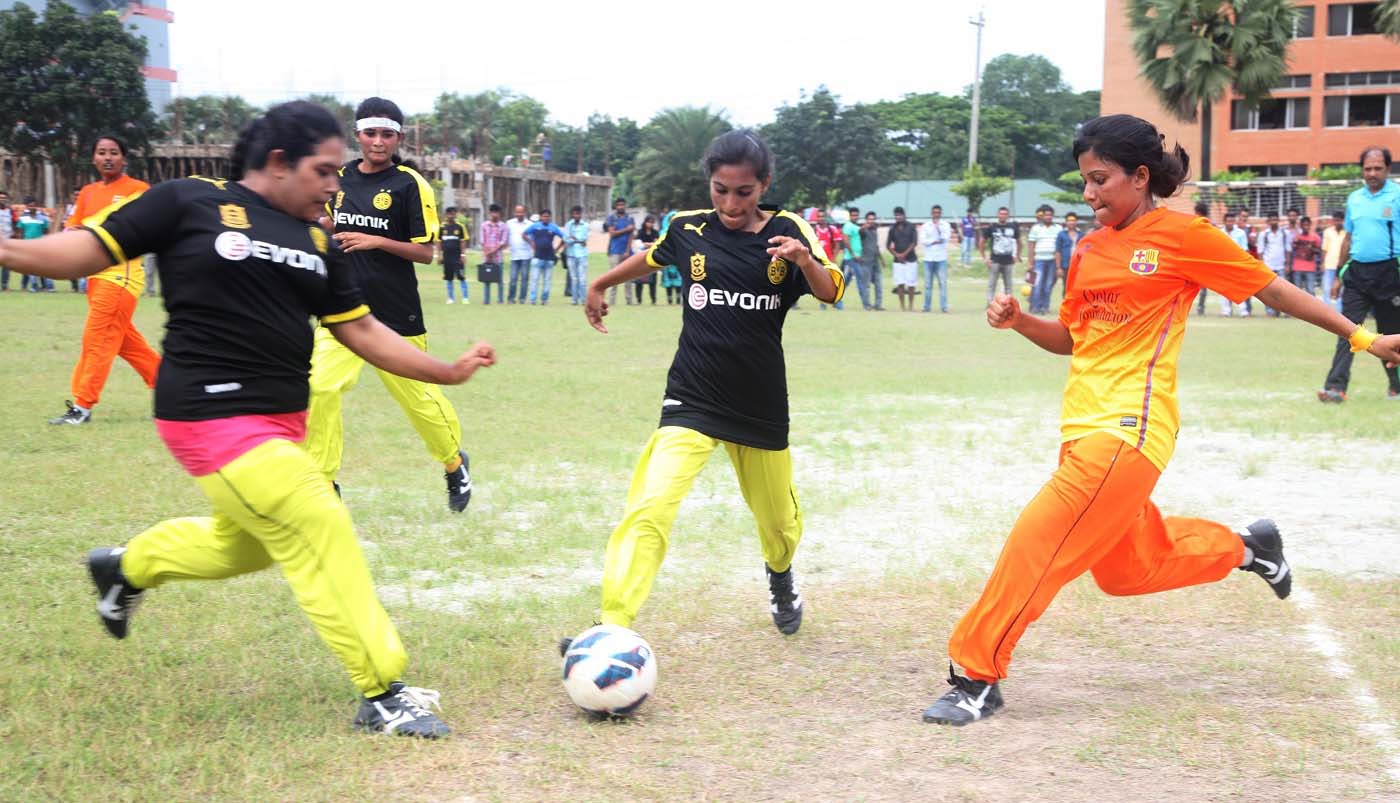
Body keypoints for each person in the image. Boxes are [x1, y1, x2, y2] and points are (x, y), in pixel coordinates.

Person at [0, 101, 496, 737]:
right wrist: (11, 251)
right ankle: (383, 691)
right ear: (278, 162)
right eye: (322, 171)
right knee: (317, 516)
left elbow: (366, 331)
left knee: (247, 544)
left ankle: (125, 568)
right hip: (209, 413)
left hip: (276, 423)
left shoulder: (318, 240)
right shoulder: (188, 201)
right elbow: (88, 248)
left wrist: (447, 372)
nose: (333, 184)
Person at [921, 114, 1400, 728]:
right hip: (1081, 431)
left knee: (1035, 543)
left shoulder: (1185, 237)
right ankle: (1248, 547)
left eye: (1101, 180)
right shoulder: (1089, 247)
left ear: (1140, 176)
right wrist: (1019, 321)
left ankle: (975, 676)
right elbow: (1072, 337)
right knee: (1128, 570)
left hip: (1129, 432)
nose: (1089, 194)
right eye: (1084, 182)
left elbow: (1274, 291)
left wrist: (1363, 336)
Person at [568, 129, 843, 644]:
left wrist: (803, 261)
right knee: (650, 505)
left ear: (763, 184)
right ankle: (612, 626)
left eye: (743, 191)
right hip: (691, 397)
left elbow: (830, 291)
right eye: (720, 189)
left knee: (778, 524)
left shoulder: (789, 229)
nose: (730, 203)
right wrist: (601, 283)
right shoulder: (688, 227)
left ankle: (780, 575)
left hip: (758, 403)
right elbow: (653, 256)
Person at [305, 96, 474, 512]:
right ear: (357, 135)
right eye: (370, 133)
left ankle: (454, 463)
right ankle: (325, 483)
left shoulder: (408, 184)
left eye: (387, 134)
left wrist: (376, 240)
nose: (378, 142)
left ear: (398, 137)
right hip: (343, 308)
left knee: (418, 401)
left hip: (396, 312)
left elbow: (426, 252)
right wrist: (320, 227)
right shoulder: (340, 177)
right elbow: (328, 221)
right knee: (318, 386)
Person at [49, 135, 162, 426]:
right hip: (95, 279)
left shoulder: (139, 190)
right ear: (94, 158)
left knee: (97, 341)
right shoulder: (87, 192)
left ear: (124, 158)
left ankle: (82, 406)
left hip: (120, 278)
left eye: (114, 152)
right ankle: (172, 390)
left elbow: (143, 230)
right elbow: (73, 230)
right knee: (127, 344)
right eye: (101, 152)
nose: (108, 157)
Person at [1319, 146, 1400, 403]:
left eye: (1378, 168)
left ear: (1388, 169)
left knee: (1391, 334)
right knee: (1348, 331)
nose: (1372, 173)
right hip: (1357, 274)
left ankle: (1396, 387)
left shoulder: (1397, 196)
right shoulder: (1354, 198)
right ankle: (1335, 388)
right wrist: (1339, 277)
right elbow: (1348, 239)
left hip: (1390, 273)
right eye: (1367, 168)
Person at [523, 208, 564, 305]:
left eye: (548, 216)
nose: (546, 218)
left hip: (549, 258)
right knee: (534, 279)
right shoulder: (535, 226)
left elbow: (564, 237)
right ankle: (533, 299)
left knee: (547, 280)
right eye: (544, 216)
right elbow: (524, 234)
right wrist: (531, 243)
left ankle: (544, 299)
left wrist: (557, 249)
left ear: (550, 217)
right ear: (540, 217)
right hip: (537, 257)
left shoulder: (553, 227)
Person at [1025, 204, 1061, 315]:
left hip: (1052, 261)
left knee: (1048, 284)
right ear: (1042, 216)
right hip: (1039, 260)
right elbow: (1031, 247)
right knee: (1037, 284)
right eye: (1046, 215)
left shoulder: (1058, 228)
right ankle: (1035, 307)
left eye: (1050, 215)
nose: (1048, 217)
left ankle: (1045, 307)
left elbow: (1059, 246)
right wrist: (1030, 263)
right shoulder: (1036, 228)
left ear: (1053, 216)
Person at [919, 204, 954, 313]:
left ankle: (944, 307)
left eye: (938, 213)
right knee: (928, 284)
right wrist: (933, 241)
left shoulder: (945, 225)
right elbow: (923, 240)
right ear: (931, 213)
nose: (936, 214)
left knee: (942, 284)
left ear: (941, 213)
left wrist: (938, 229)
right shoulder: (926, 225)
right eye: (934, 212)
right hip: (928, 258)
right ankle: (926, 307)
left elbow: (945, 238)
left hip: (941, 258)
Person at [981, 206, 1019, 302]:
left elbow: (1019, 242)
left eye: (1005, 214)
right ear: (998, 215)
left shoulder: (1013, 227)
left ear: (1008, 215)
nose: (1003, 216)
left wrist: (1017, 255)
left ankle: (1009, 305)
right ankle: (990, 303)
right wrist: (985, 257)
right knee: (992, 284)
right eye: (1001, 214)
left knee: (1008, 285)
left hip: (1008, 260)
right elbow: (982, 242)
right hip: (995, 260)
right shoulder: (992, 227)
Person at [16, 199, 54, 292]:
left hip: (40, 246)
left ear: (36, 206)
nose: (32, 207)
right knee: (30, 267)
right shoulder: (23, 219)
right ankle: (34, 286)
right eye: (30, 206)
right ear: (27, 207)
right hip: (27, 246)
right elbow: (20, 233)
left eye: (34, 205)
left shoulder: (43, 218)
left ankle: (49, 287)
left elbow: (46, 232)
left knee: (44, 266)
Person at [603, 197, 635, 305]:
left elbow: (631, 235)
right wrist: (627, 229)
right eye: (619, 205)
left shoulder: (629, 218)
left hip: (626, 251)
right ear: (615, 206)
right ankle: (611, 301)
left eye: (622, 205)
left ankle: (629, 301)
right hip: (614, 251)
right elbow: (612, 233)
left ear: (625, 206)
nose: (621, 207)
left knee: (628, 276)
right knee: (613, 277)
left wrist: (628, 250)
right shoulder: (611, 218)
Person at [1256, 213, 1289, 316]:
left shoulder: (1284, 233)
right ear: (1268, 222)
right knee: (1268, 291)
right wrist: (1262, 266)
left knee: (1283, 290)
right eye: (1272, 220)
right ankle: (1270, 311)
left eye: (1276, 220)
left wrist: (1287, 264)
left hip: (1281, 265)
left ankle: (1285, 310)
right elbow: (1260, 251)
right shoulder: (1263, 234)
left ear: (1278, 221)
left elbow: (1288, 249)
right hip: (1268, 265)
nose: (1274, 222)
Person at [887, 206, 918, 311]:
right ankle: (902, 306)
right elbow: (888, 245)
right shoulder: (892, 229)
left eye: (900, 215)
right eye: (896, 215)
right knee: (900, 284)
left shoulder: (911, 227)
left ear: (904, 215)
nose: (898, 217)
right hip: (898, 261)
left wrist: (904, 254)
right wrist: (897, 255)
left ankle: (910, 306)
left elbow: (914, 243)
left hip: (911, 259)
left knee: (911, 284)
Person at [1224, 209, 1253, 317]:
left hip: (1237, 264)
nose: (1230, 223)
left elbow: (1245, 249)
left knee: (1240, 288)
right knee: (1224, 288)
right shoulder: (1220, 232)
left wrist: (1244, 264)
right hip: (1223, 265)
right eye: (1228, 221)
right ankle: (1226, 311)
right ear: (1224, 221)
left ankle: (1243, 311)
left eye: (1232, 221)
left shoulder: (1240, 233)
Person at [440, 206, 469, 304]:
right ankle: (451, 298)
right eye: (449, 214)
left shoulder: (460, 227)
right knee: (449, 278)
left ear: (456, 214)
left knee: (461, 276)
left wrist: (463, 255)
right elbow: (439, 242)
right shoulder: (442, 227)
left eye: (453, 213)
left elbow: (463, 242)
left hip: (457, 257)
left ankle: (465, 298)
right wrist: (439, 255)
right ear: (446, 215)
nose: (451, 216)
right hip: (446, 257)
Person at [841, 206, 869, 309]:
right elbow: (846, 241)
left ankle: (836, 300)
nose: (855, 217)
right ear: (850, 216)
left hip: (856, 258)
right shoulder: (848, 226)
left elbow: (859, 234)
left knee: (845, 282)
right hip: (850, 259)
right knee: (860, 281)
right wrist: (853, 255)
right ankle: (866, 305)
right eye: (853, 215)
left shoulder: (855, 226)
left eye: (857, 215)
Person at [479, 203, 507, 304]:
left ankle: (500, 300)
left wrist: (492, 252)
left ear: (500, 213)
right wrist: (487, 253)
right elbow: (482, 240)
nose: (495, 214)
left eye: (497, 212)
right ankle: (486, 300)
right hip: (486, 257)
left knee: (499, 280)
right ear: (490, 213)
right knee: (487, 279)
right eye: (493, 212)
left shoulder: (503, 226)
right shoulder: (484, 225)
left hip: (498, 257)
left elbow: (503, 242)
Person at [563, 205, 590, 306]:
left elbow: (584, 238)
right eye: (574, 213)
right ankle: (574, 300)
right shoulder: (568, 225)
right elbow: (566, 239)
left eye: (578, 213)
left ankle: (584, 300)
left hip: (582, 255)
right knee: (574, 278)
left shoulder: (585, 225)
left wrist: (574, 239)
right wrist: (575, 240)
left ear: (581, 214)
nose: (576, 215)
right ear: (572, 214)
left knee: (582, 279)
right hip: (571, 255)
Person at [631, 214, 661, 304]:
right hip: (641, 257)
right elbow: (638, 244)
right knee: (639, 280)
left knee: (653, 281)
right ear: (645, 222)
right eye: (649, 222)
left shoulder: (655, 232)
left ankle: (653, 299)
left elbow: (657, 243)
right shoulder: (640, 232)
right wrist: (649, 244)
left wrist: (647, 244)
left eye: (652, 223)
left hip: (653, 257)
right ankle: (639, 299)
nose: (650, 224)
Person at [506, 204, 532, 304]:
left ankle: (522, 298)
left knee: (524, 278)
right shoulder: (509, 223)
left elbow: (533, 239)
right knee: (513, 278)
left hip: (526, 255)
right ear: (514, 213)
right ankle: (511, 298)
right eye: (517, 212)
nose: (519, 214)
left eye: (521, 212)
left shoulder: (529, 224)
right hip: (514, 256)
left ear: (525, 213)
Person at [1191, 202, 1214, 315]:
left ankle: (1198, 308)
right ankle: (1201, 307)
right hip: (1208, 260)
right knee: (1203, 288)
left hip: (1194, 260)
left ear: (1197, 212)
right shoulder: (1211, 225)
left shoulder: (1194, 223)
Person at [1321, 209, 1346, 312]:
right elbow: (1324, 249)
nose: (1337, 222)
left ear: (1343, 220)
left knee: (1341, 289)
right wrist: (1322, 263)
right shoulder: (1327, 232)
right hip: (1329, 264)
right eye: (1335, 220)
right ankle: (1326, 312)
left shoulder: (1348, 232)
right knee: (1327, 289)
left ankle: (1339, 312)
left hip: (1342, 265)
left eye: (1339, 220)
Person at [1054, 211, 1084, 299]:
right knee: (1066, 285)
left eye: (1073, 220)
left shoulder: (1081, 235)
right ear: (1066, 222)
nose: (1071, 222)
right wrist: (1058, 267)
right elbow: (1058, 251)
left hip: (1078, 265)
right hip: (1066, 264)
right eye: (1069, 220)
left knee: (1078, 285)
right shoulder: (1061, 234)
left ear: (1076, 222)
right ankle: (1066, 306)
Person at [1290, 215, 1321, 298]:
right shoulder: (1296, 237)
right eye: (1304, 225)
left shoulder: (1315, 237)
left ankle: (1312, 310)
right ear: (1301, 225)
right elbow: (1291, 251)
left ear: (1310, 225)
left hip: (1310, 268)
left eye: (1307, 225)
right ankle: (1296, 310)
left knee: (1310, 291)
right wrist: (1295, 243)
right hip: (1297, 267)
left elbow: (1319, 251)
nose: (1306, 227)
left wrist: (1312, 248)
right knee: (1297, 292)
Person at [861, 211, 885, 310]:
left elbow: (876, 246)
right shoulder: (863, 231)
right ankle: (867, 305)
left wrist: (882, 259)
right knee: (866, 285)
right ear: (866, 220)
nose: (871, 221)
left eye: (873, 219)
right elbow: (860, 231)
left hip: (876, 261)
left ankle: (878, 305)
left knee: (879, 284)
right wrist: (864, 227)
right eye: (869, 219)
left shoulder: (874, 231)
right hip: (866, 261)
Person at [0, 190, 13, 291]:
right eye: (0, 198)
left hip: (7, 242)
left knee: (7, 264)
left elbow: (13, 224)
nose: (2, 200)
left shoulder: (10, 211)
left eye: (4, 198)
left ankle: (5, 285)